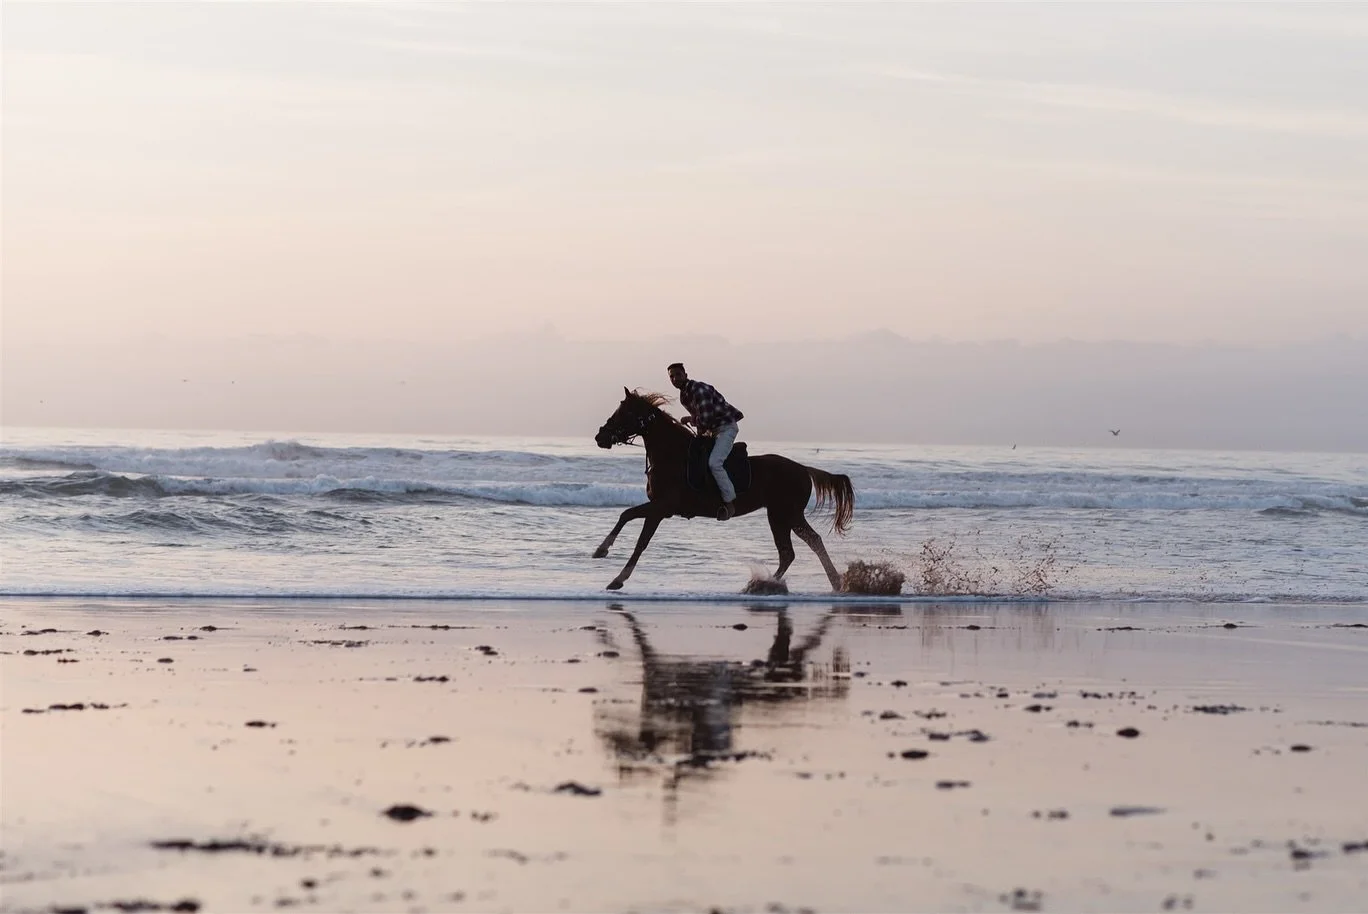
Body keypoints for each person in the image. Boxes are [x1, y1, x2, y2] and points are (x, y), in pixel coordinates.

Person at [667, 362, 745, 520]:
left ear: (686, 375)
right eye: (671, 377)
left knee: (714, 463)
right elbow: (703, 424)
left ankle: (729, 502)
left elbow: (707, 418)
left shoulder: (698, 390)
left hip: (725, 429)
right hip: (712, 431)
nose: (675, 379)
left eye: (678, 375)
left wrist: (690, 419)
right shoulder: (684, 396)